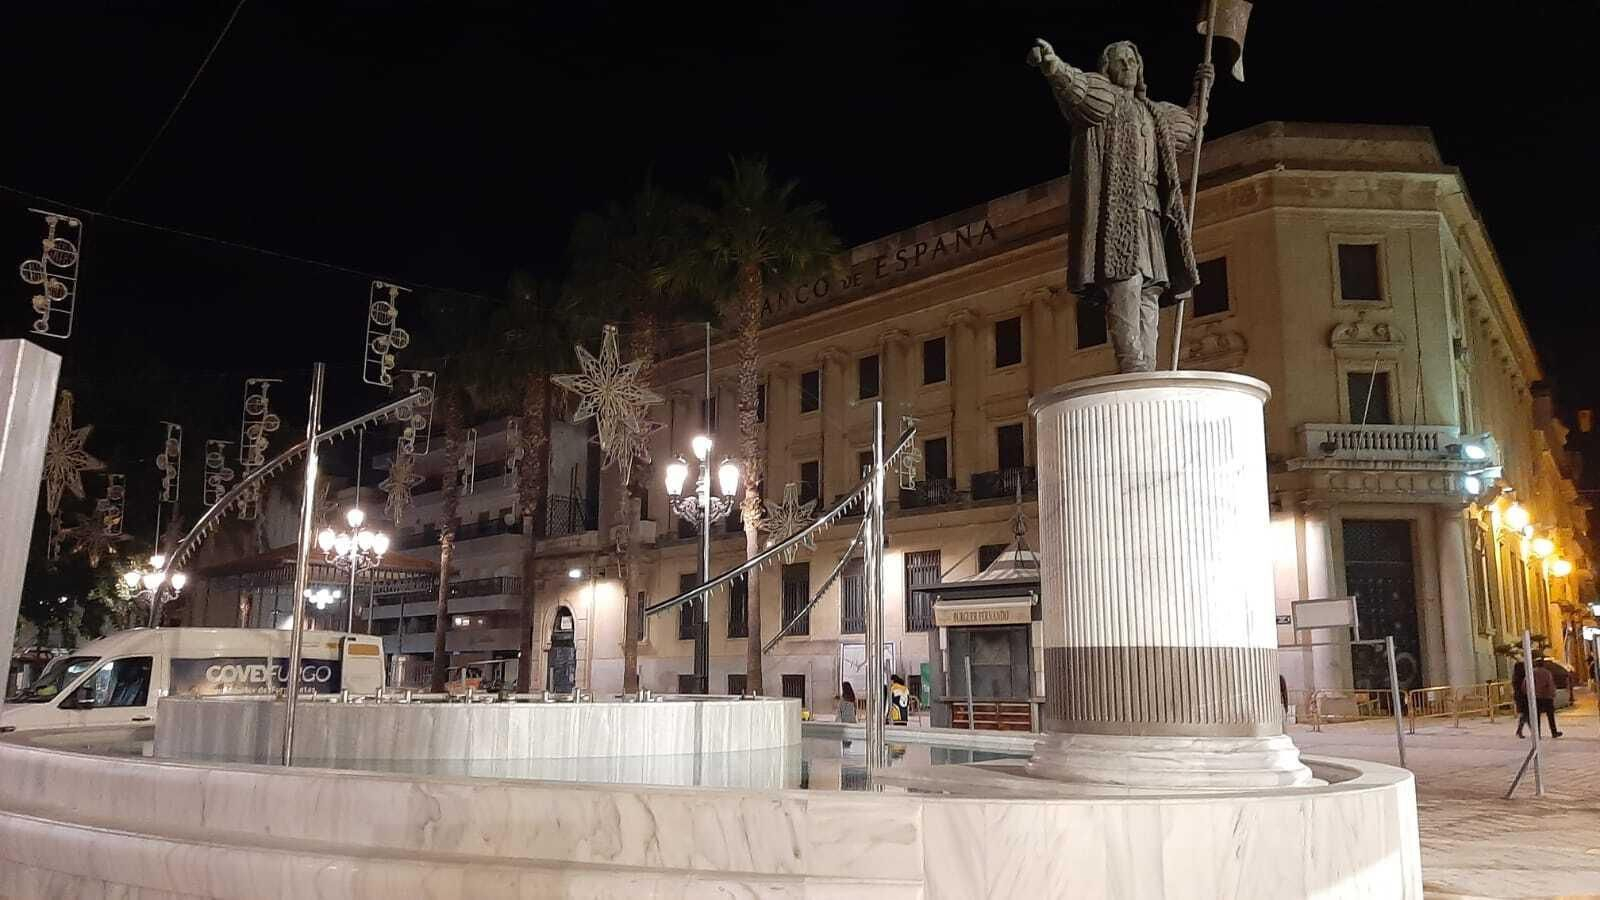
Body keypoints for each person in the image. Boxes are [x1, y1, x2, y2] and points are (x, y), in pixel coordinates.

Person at [1028, 38, 1212, 373]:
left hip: (1152, 212)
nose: (1128, 66)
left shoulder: (1156, 114)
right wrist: (1053, 66)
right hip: (1117, 211)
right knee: (1124, 282)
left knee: (1151, 289)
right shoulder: (1105, 100)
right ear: (1107, 68)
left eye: (1133, 60)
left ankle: (1149, 369)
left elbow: (1191, 128)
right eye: (1120, 61)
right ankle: (1131, 363)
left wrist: (1202, 90)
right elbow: (1078, 90)